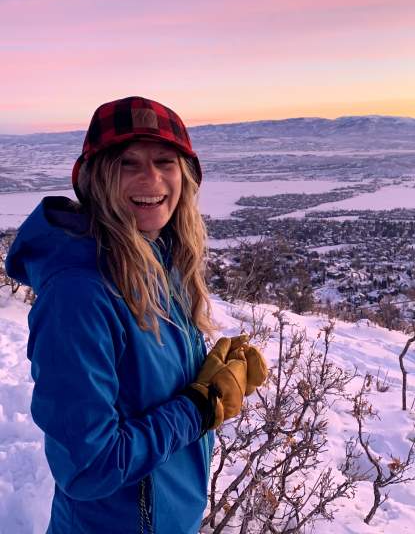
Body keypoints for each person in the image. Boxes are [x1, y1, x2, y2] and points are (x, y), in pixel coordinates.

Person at [5, 96, 268, 534]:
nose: (152, 178)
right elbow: (88, 467)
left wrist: (202, 377)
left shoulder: (160, 259)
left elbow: (144, 391)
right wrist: (200, 406)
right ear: (97, 179)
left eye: (165, 161)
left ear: (185, 175)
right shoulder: (80, 293)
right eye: (128, 163)